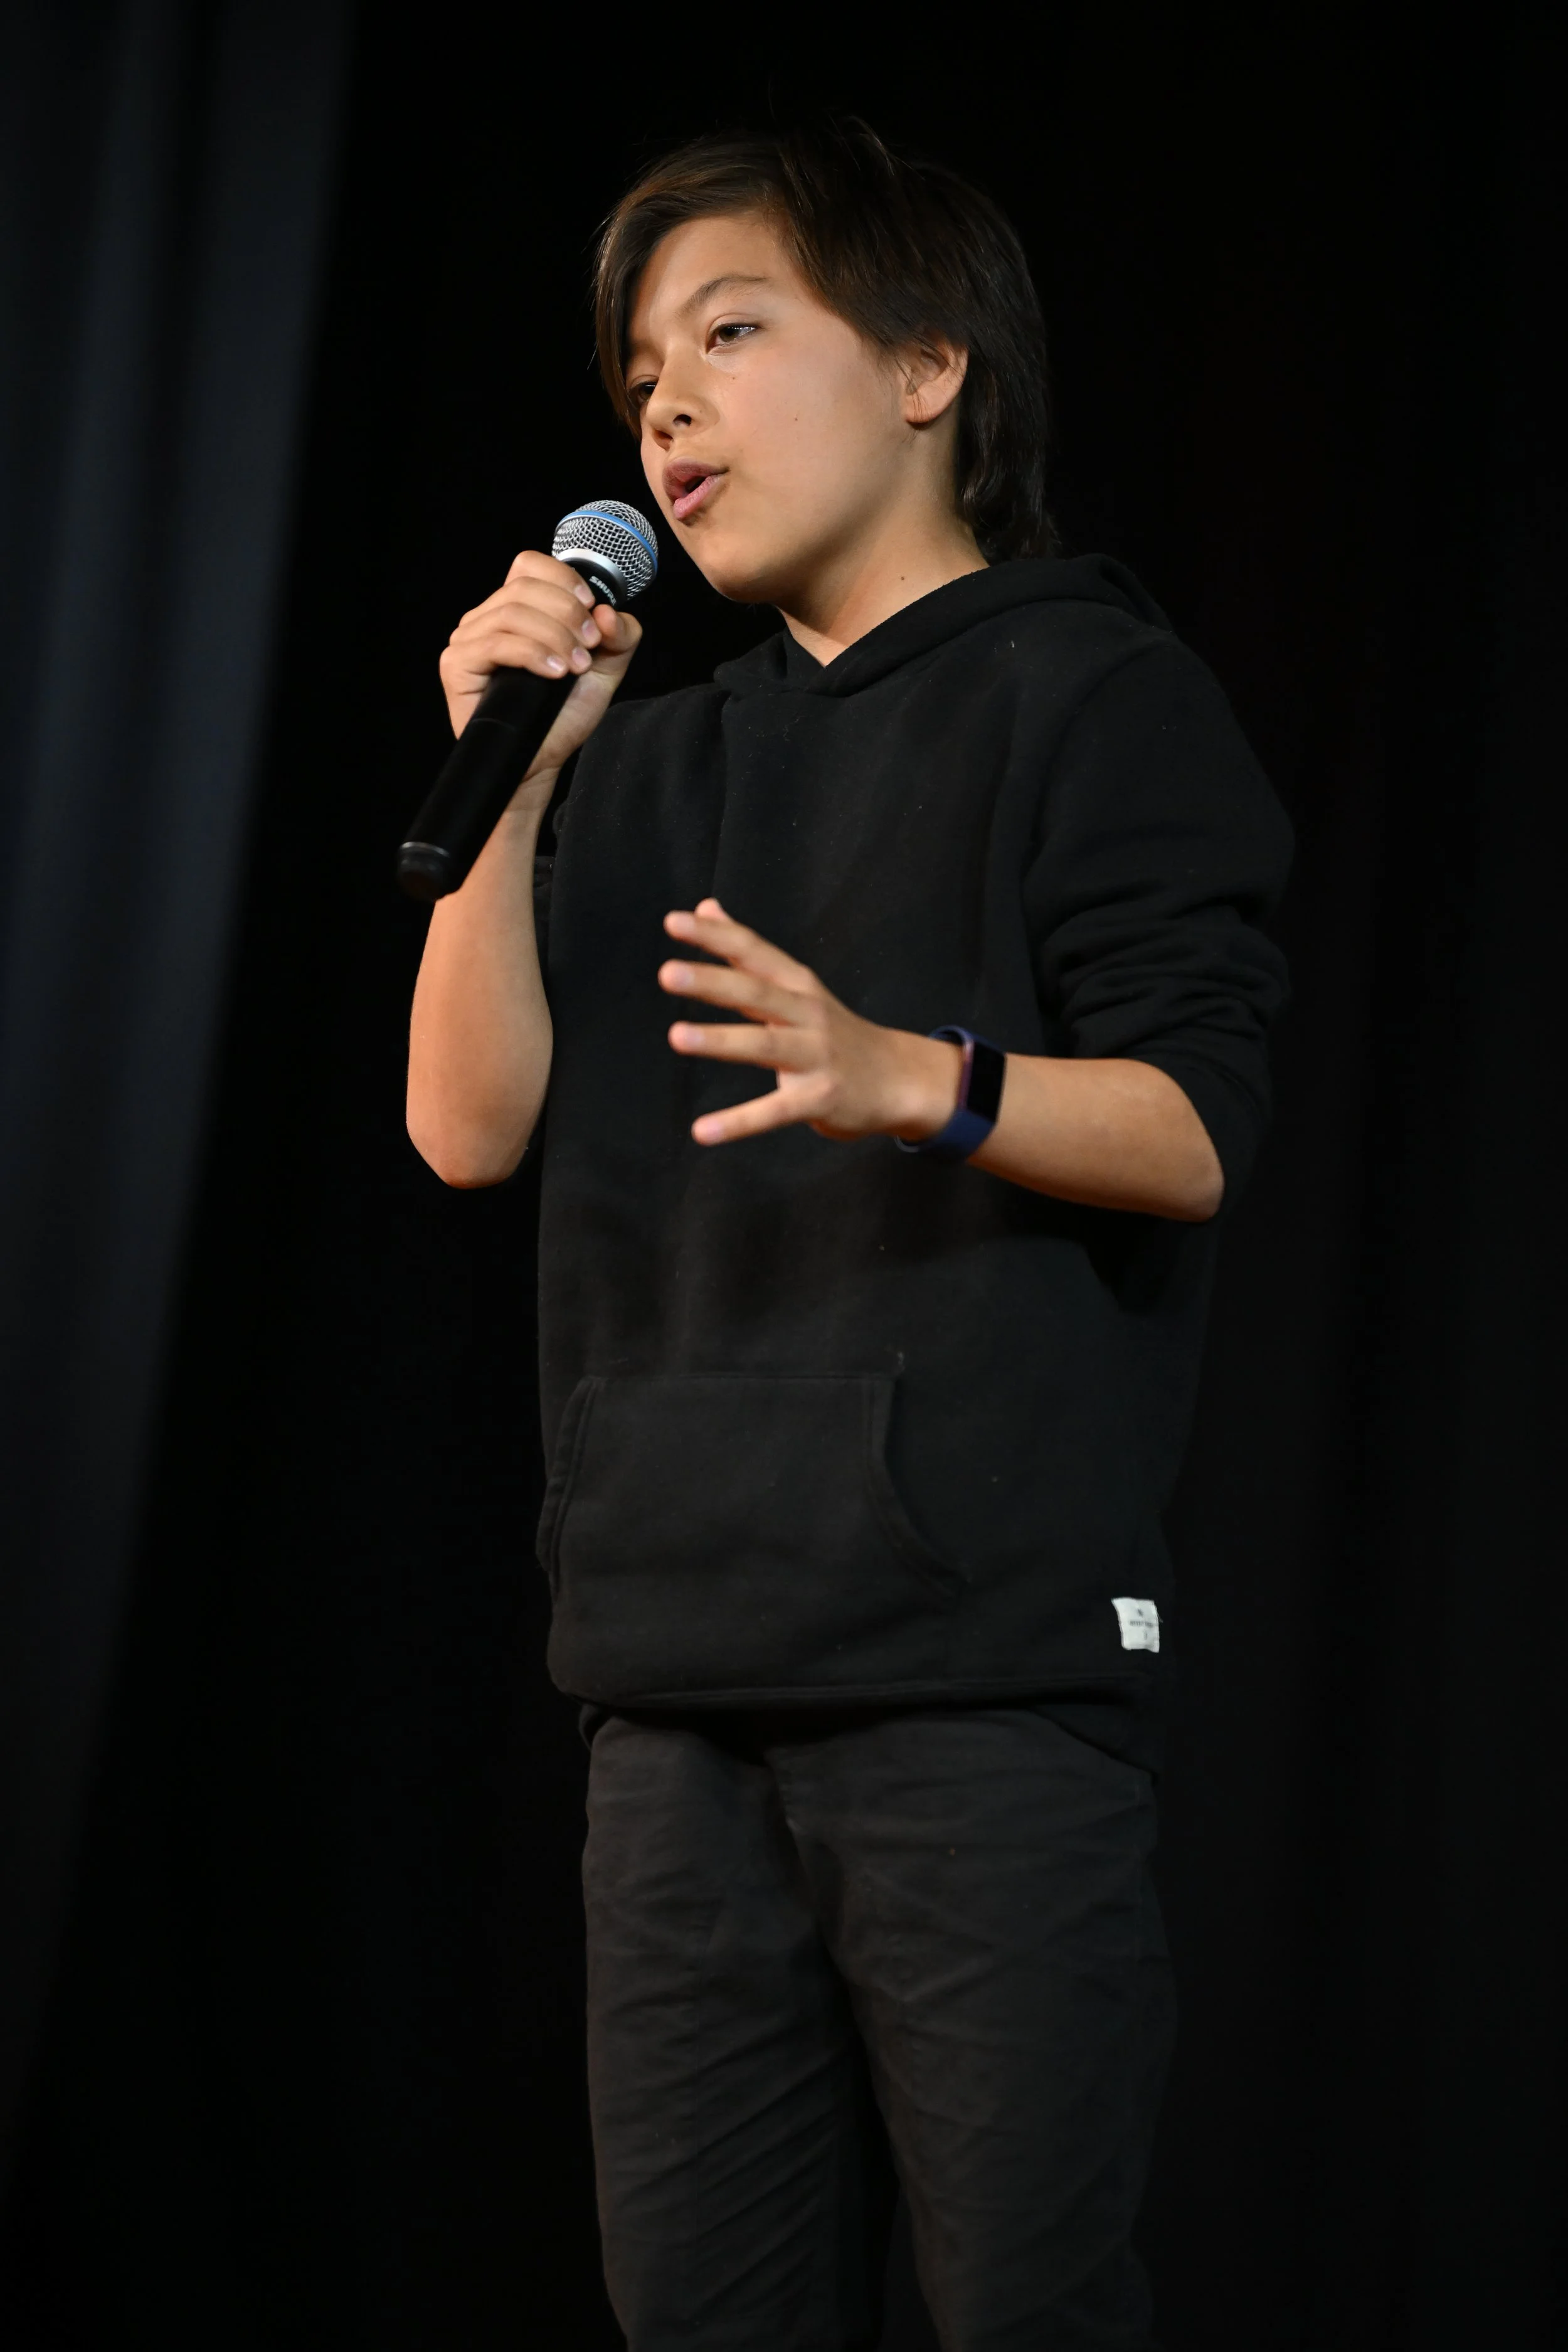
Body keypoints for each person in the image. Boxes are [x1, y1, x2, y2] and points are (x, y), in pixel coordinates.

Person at [406, 120, 1291, 2352]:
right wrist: (517, 779)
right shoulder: (642, 757)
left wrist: (919, 1076)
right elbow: (462, 1126)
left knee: (1026, 2306)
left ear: (924, 365)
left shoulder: (1091, 690)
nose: (667, 411)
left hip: (975, 1681)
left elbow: (1196, 1125)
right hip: (669, 1688)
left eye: (728, 334)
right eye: (641, 380)